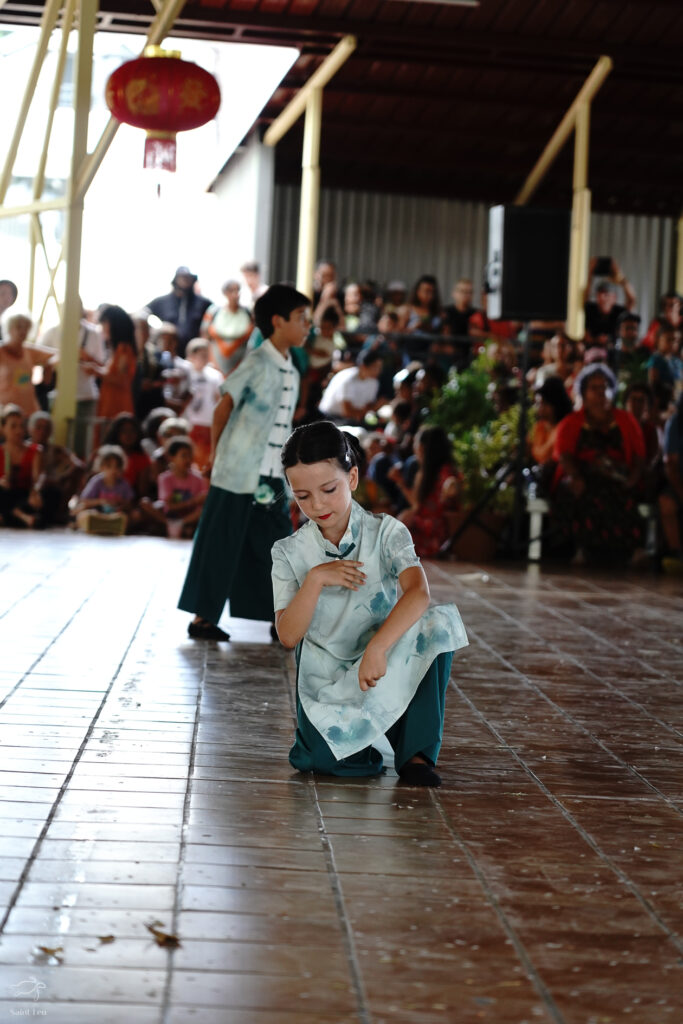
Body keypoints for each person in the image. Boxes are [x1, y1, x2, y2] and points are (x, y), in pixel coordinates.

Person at [272, 420, 468, 786]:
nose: (317, 505)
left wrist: (378, 647)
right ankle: (361, 743)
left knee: (437, 624)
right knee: (325, 762)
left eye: (328, 489)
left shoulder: (388, 532)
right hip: (326, 678)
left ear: (353, 478)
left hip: (382, 661)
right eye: (302, 496)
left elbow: (418, 592)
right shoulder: (288, 552)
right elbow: (287, 635)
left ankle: (416, 754)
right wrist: (316, 579)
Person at [178, 283, 311, 641]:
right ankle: (202, 618)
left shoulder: (292, 370)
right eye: (301, 318)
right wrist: (218, 454)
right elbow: (224, 407)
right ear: (278, 321)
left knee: (278, 543)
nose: (307, 326)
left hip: (270, 476)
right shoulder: (256, 362)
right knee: (221, 540)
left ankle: (280, 617)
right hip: (237, 471)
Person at [552, 364, 646, 564]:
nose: (600, 392)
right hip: (582, 474)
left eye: (603, 387)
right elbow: (563, 454)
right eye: (594, 388)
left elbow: (638, 455)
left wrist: (633, 478)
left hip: (618, 475)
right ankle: (583, 549)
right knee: (581, 493)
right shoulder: (571, 422)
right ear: (584, 392)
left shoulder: (625, 420)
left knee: (622, 496)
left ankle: (632, 551)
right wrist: (576, 476)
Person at [388, 426, 462, 558]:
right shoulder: (424, 472)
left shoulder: (445, 471)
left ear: (422, 448)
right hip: (423, 524)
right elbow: (417, 504)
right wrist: (400, 481)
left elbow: (452, 485)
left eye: (416, 443)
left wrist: (452, 485)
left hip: (436, 529)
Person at [144, 437, 208, 538]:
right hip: (170, 515)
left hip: (190, 516)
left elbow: (203, 501)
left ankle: (180, 525)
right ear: (171, 458)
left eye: (190, 455)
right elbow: (169, 506)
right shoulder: (165, 478)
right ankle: (169, 524)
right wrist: (193, 501)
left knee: (204, 510)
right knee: (145, 503)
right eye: (184, 456)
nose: (188, 459)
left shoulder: (198, 478)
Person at [28, 411, 84, 524]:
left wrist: (63, 477)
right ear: (30, 429)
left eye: (46, 428)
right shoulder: (25, 447)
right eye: (39, 427)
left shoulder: (56, 450)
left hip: (51, 487)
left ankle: (60, 513)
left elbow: (78, 465)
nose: (42, 432)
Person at [146, 266, 212, 357]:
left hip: (195, 354)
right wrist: (155, 332)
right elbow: (143, 313)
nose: (185, 281)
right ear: (176, 279)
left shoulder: (203, 303)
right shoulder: (162, 302)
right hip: (168, 352)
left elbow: (215, 317)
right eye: (182, 278)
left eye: (187, 278)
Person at [0, 313, 57, 417]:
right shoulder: (1, 352)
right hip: (6, 413)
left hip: (29, 411)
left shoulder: (29, 351)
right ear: (9, 329)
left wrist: (49, 364)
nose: (23, 331)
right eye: (19, 327)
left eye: (26, 328)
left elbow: (56, 354)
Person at [0, 404, 45, 528]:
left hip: (25, 496)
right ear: (3, 428)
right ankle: (21, 516)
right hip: (5, 494)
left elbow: (38, 478)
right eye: (13, 426)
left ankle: (11, 515)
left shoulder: (35, 451)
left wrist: (35, 491)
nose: (19, 431)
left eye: (21, 426)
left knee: (51, 494)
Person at [94, 306, 138, 432]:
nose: (102, 328)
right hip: (109, 402)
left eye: (104, 324)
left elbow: (122, 379)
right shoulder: (117, 350)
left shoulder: (123, 350)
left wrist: (96, 372)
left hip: (116, 404)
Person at [182, 338, 223, 470]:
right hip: (189, 424)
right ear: (191, 356)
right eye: (202, 355)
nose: (205, 358)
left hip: (208, 424)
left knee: (206, 461)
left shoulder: (215, 376)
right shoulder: (184, 373)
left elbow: (220, 398)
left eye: (207, 354)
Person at [75, 445, 133, 536]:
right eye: (109, 466)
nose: (113, 470)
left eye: (117, 467)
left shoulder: (123, 484)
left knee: (129, 516)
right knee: (82, 510)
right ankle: (95, 525)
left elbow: (129, 503)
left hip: (115, 514)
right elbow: (84, 500)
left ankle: (108, 527)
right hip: (97, 513)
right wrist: (101, 501)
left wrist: (119, 503)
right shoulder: (97, 481)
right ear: (101, 467)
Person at [201, 279, 252, 376]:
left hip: (241, 361)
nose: (235, 294)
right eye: (231, 291)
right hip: (216, 360)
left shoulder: (247, 312)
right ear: (225, 293)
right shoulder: (213, 312)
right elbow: (205, 334)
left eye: (237, 290)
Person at [318, 351, 383, 424]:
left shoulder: (374, 382)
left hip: (352, 419)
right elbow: (347, 412)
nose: (378, 371)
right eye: (375, 367)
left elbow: (367, 405)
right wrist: (374, 407)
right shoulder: (347, 378)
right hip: (329, 417)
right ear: (363, 366)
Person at [583, 258, 636, 345]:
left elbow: (632, 300)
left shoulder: (619, 313)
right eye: (601, 294)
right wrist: (589, 272)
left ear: (614, 298)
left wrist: (620, 276)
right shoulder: (590, 310)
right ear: (596, 296)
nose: (604, 298)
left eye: (607, 295)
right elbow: (584, 296)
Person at [659, 394, 683, 573]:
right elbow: (671, 465)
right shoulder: (676, 423)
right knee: (666, 503)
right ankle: (675, 553)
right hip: (678, 482)